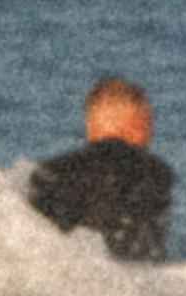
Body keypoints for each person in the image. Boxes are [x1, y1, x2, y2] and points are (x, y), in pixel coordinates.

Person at [26, 75, 174, 262]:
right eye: (148, 125)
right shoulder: (153, 171)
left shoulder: (52, 170)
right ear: (136, 125)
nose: (150, 136)